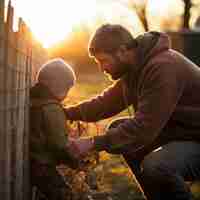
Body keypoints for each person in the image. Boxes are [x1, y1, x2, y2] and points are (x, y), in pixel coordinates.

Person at [65, 24, 200, 200]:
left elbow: (144, 129)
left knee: (157, 165)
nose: (101, 68)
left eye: (104, 60)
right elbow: (105, 104)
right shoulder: (135, 68)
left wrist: (92, 143)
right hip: (183, 132)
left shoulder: (163, 67)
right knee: (119, 128)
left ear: (122, 51)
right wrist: (66, 114)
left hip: (196, 138)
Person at [30, 58, 79, 200]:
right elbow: (58, 143)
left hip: (31, 161)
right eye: (67, 89)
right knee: (65, 195)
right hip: (43, 165)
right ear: (58, 86)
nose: (67, 94)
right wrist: (72, 159)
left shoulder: (33, 102)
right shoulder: (52, 109)